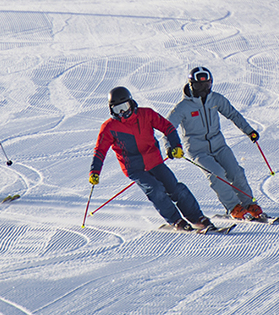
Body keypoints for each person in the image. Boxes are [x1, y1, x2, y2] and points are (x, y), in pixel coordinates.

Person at [89, 86, 213, 231]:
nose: (123, 112)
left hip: (155, 161)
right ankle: (176, 220)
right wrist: (94, 171)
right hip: (134, 168)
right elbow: (100, 150)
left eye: (125, 106)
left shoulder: (146, 114)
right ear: (112, 110)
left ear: (131, 103)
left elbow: (168, 127)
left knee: (175, 188)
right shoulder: (109, 127)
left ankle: (197, 217)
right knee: (155, 190)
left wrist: (176, 145)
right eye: (118, 109)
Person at [166, 66, 265, 220]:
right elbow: (168, 127)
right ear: (192, 85)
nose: (204, 89)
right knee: (217, 175)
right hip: (198, 150)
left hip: (219, 145)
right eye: (199, 86)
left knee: (236, 172)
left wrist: (249, 131)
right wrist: (171, 147)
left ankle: (249, 204)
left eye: (207, 85)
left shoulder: (215, 99)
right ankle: (233, 207)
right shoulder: (183, 107)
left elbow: (233, 114)